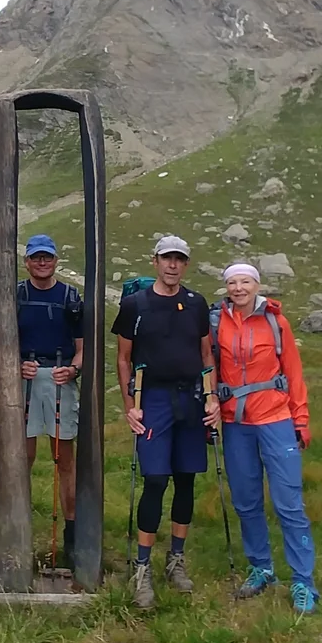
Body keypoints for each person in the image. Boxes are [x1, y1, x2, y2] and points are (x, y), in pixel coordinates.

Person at [112, 235, 220, 609]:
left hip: (190, 397)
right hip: (153, 398)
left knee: (186, 479)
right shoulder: (135, 305)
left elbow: (206, 352)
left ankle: (176, 557)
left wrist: (212, 396)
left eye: (180, 259)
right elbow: (124, 358)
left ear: (186, 264)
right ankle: (143, 567)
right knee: (156, 479)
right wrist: (131, 405)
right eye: (166, 258)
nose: (173, 265)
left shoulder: (196, 304)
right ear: (155, 261)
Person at [212, 262, 319, 614]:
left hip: (275, 418)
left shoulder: (276, 323)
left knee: (289, 504)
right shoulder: (216, 323)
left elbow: (293, 371)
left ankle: (303, 581)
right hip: (235, 421)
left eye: (244, 281)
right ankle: (262, 567)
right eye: (232, 282)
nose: (238, 288)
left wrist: (300, 419)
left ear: (257, 285)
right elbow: (209, 369)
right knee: (246, 501)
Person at [17, 234, 83, 559]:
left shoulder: (71, 296)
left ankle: (71, 537)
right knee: (21, 459)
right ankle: (18, 529)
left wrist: (72, 370)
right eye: (36, 258)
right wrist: (15, 366)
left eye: (47, 257)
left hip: (60, 379)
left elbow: (83, 349)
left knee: (65, 462)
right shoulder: (15, 294)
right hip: (23, 381)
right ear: (26, 261)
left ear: (56, 260)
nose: (42, 263)